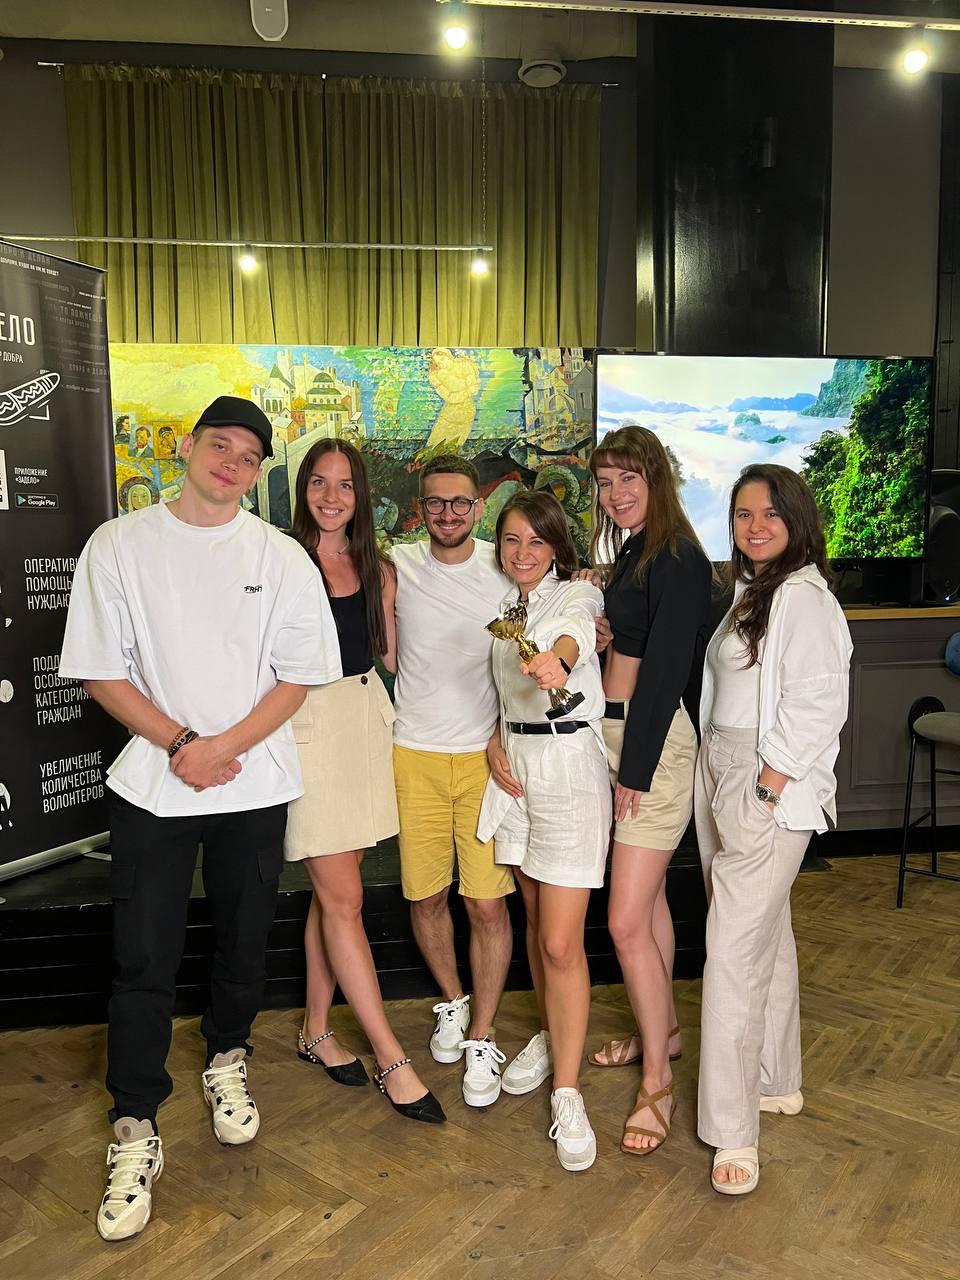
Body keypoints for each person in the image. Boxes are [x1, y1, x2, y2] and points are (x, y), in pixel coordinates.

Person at [59, 396, 341, 1242]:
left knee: (244, 940)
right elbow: (100, 672)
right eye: (220, 446)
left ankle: (227, 1057)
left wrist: (222, 748)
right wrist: (184, 745)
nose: (232, 464)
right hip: (154, 785)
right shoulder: (119, 544)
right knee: (143, 955)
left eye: (249, 457)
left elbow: (299, 675)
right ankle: (135, 1121)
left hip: (253, 785)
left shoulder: (280, 556)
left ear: (257, 473)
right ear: (187, 447)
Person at [697, 463, 852, 1195]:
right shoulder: (752, 589)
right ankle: (775, 1079)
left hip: (762, 780)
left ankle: (734, 1133)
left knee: (730, 951)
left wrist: (768, 784)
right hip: (723, 767)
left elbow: (820, 703)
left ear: (796, 519)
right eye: (742, 515)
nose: (754, 527)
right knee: (765, 934)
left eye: (769, 514)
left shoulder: (805, 597)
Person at [285, 439, 444, 1124]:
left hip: (363, 719)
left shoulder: (378, 568)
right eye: (319, 483)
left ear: (361, 495)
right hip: (304, 725)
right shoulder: (281, 560)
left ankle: (316, 1029)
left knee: (335, 893)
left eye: (345, 484)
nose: (331, 497)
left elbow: (392, 656)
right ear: (302, 490)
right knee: (344, 897)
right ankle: (391, 1057)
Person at [585, 426, 713, 1158]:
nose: (615, 494)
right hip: (620, 735)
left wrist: (633, 770)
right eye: (605, 482)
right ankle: (661, 1033)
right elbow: (637, 644)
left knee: (626, 920)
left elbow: (665, 674)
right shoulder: (638, 551)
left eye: (628, 478)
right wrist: (609, 635)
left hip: (652, 746)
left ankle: (659, 1082)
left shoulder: (679, 557)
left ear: (657, 479)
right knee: (652, 902)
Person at [479, 489, 610, 1171]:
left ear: (557, 547)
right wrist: (493, 741)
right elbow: (506, 697)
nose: (523, 552)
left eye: (537, 540)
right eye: (511, 540)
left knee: (561, 942)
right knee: (534, 922)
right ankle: (553, 1036)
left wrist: (558, 659)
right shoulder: (508, 610)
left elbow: (575, 635)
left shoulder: (573, 597)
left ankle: (567, 1091)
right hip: (516, 773)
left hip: (567, 769)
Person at [392, 455, 515, 1109]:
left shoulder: (505, 568)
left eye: (459, 502)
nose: (447, 513)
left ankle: (484, 1034)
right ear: (421, 508)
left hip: (482, 759)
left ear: (478, 507)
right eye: (435, 503)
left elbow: (540, 634)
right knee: (426, 898)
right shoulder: (398, 566)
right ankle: (452, 1001)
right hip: (412, 754)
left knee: (486, 905)